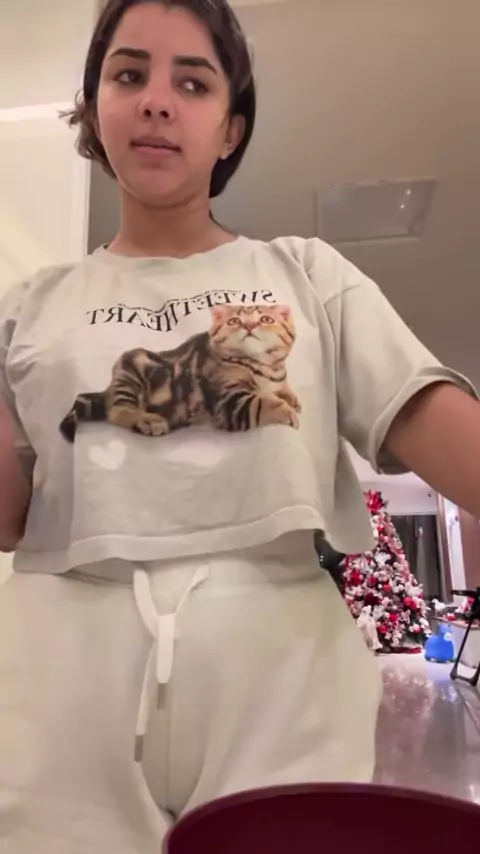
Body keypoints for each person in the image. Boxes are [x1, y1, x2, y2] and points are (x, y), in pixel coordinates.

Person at [0, 1, 479, 851]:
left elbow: (439, 428)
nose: (157, 100)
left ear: (231, 130)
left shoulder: (306, 274)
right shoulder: (30, 307)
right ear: (94, 109)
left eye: (193, 83)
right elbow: (8, 516)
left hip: (281, 669)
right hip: (58, 676)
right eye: (129, 75)